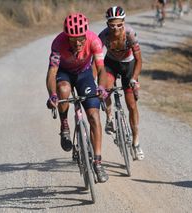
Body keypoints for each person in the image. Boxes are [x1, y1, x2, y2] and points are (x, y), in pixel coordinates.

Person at [46, 13, 109, 183]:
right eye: (73, 40)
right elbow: (52, 72)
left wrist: (101, 87)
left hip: (84, 74)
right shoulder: (58, 43)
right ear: (67, 37)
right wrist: (52, 95)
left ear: (85, 35)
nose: (78, 43)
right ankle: (64, 124)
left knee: (94, 115)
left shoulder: (94, 40)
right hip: (64, 74)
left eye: (81, 39)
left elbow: (101, 69)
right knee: (63, 90)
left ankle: (97, 162)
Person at [99, 6, 145, 161]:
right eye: (112, 25)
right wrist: (95, 81)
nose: (116, 28)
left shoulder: (130, 34)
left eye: (119, 24)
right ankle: (110, 118)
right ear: (107, 24)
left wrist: (134, 78)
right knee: (105, 88)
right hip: (111, 63)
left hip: (128, 66)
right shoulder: (104, 36)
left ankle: (136, 142)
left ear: (123, 23)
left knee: (131, 105)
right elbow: (96, 60)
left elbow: (139, 60)